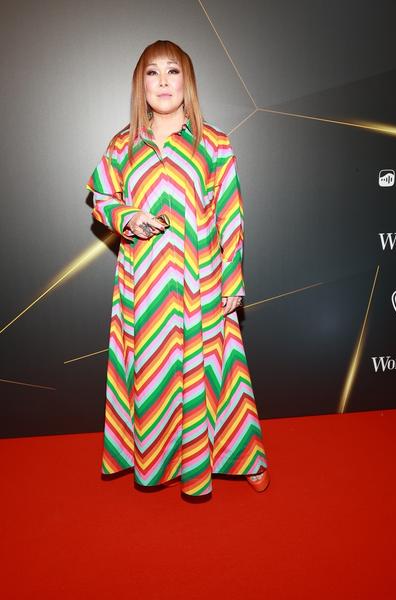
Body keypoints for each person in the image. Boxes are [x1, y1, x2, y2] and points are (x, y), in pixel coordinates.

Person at [86, 40, 270, 497]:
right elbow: (102, 200)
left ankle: (244, 457)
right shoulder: (122, 145)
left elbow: (231, 215)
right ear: (141, 84)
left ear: (188, 81)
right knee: (154, 374)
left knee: (217, 374)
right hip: (144, 285)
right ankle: (158, 461)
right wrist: (129, 217)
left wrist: (232, 280)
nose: (164, 82)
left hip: (201, 282)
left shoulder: (215, 142)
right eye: (153, 73)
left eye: (173, 71)